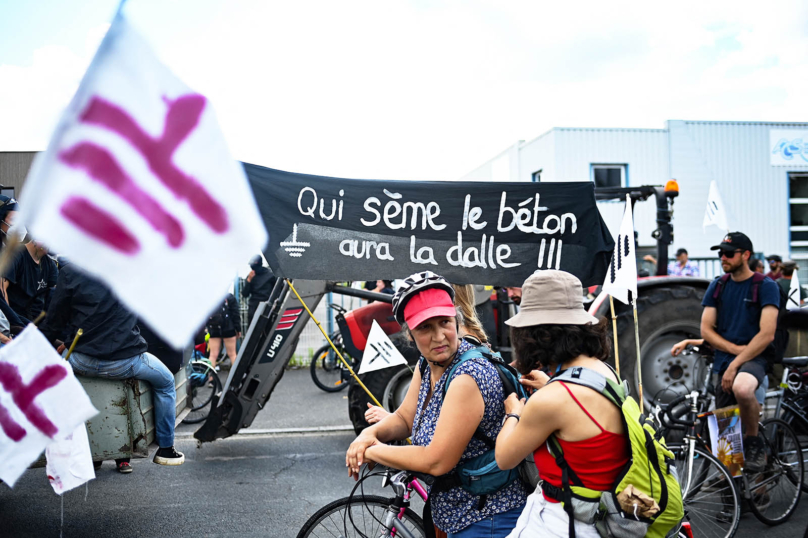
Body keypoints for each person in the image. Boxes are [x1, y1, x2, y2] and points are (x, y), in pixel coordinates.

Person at [346, 271, 527, 537]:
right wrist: (368, 433)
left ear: (456, 319)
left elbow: (437, 461)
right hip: (456, 513)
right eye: (425, 327)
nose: (439, 336)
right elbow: (406, 419)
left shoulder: (469, 376)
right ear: (410, 334)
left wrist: (370, 451)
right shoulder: (427, 363)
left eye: (444, 322)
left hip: (487, 519)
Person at [493, 270, 629, 538]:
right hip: (603, 514)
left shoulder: (551, 400)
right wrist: (551, 386)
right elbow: (581, 411)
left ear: (537, 334)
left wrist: (514, 413)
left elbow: (505, 457)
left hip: (565, 522)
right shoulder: (602, 370)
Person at [40, 259, 184, 470]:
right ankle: (165, 449)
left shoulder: (70, 272)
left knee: (52, 383)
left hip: (82, 361)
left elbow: (54, 322)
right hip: (125, 361)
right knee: (166, 381)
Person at [701, 232, 778, 472]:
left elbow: (766, 334)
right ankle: (732, 492)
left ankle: (754, 443)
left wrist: (736, 363)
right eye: (720, 253)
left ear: (745, 255)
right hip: (726, 359)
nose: (723, 257)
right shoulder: (718, 285)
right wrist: (733, 353)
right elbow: (706, 329)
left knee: (742, 389)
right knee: (726, 437)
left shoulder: (765, 286)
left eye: (729, 253)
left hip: (755, 358)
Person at [1, 240, 58, 321]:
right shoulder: (15, 255)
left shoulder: (50, 265)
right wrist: (12, 321)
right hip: (16, 317)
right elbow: (2, 289)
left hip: (37, 320)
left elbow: (56, 296)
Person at [207, 293, 241, 369]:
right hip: (228, 328)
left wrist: (208, 327)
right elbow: (235, 314)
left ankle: (211, 378)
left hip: (214, 328)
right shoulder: (229, 297)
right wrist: (238, 329)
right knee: (232, 354)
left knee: (212, 355)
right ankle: (235, 378)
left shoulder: (210, 296)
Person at [241, 255, 276, 326]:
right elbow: (245, 294)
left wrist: (275, 301)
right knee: (252, 329)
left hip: (267, 305)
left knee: (267, 327)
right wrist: (249, 280)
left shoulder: (271, 275)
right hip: (254, 307)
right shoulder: (251, 276)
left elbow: (279, 289)